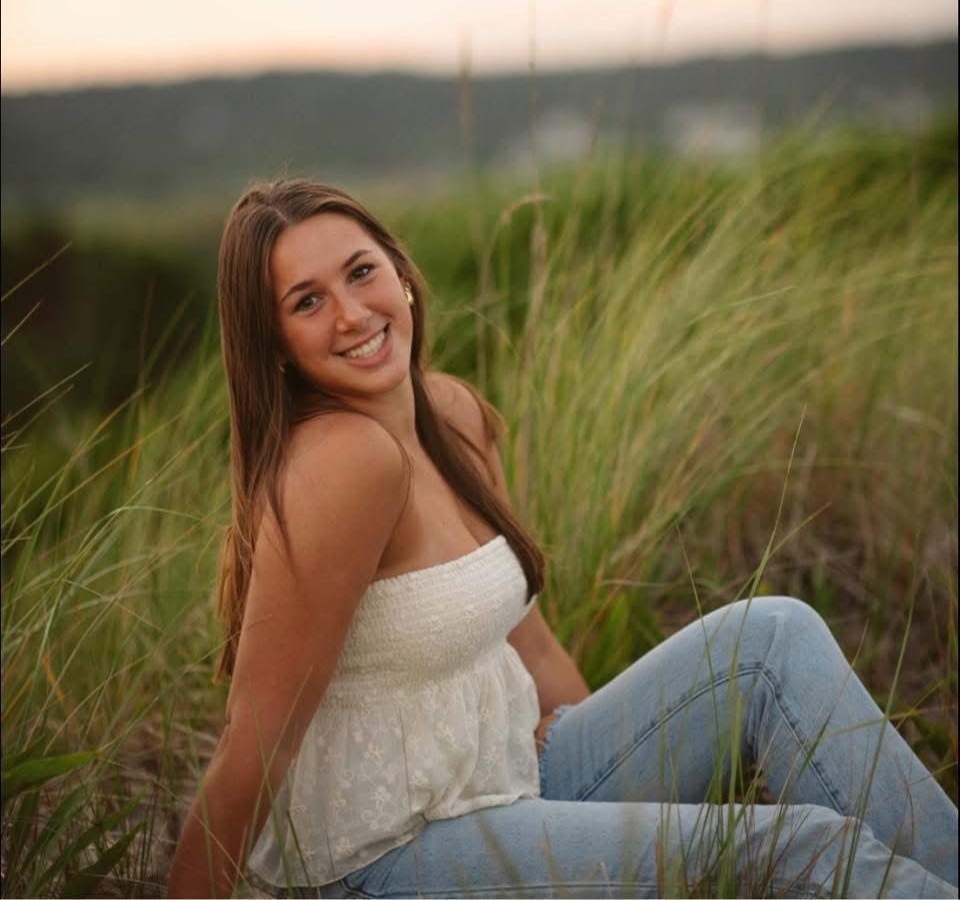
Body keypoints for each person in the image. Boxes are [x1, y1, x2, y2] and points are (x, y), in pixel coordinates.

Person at [167, 180, 958, 899]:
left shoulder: (451, 416)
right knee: (796, 847)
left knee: (773, 637)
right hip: (385, 858)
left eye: (360, 272)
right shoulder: (342, 467)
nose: (350, 314)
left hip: (510, 777)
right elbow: (253, 742)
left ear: (401, 274)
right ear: (275, 344)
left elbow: (533, 647)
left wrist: (604, 798)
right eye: (307, 302)